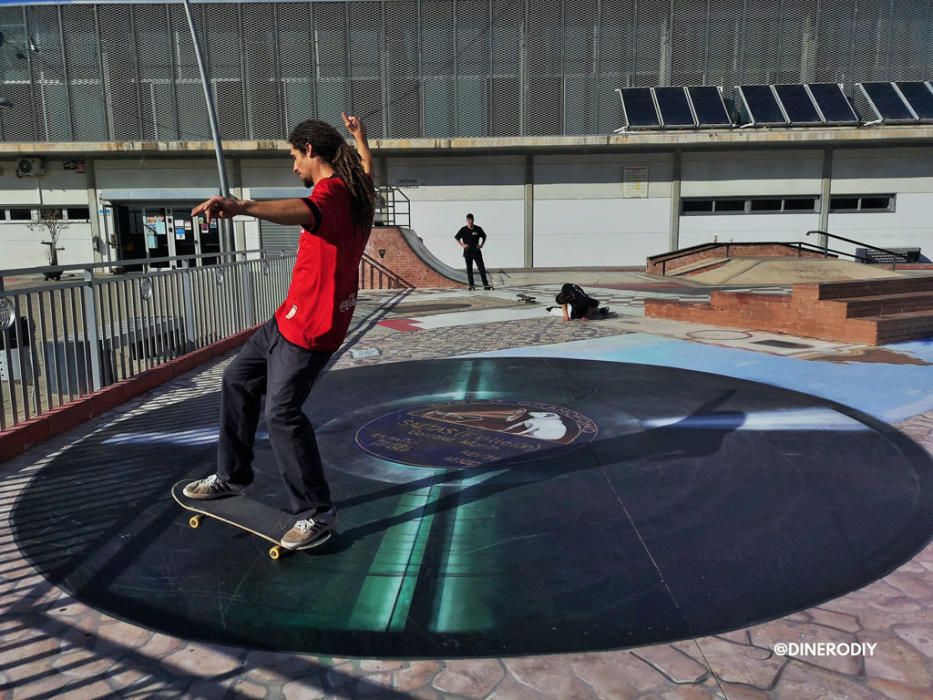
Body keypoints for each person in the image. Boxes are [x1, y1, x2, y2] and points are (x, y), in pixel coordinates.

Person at [182, 113, 375, 551]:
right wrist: (361, 137)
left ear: (309, 150)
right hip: (286, 318)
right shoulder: (361, 189)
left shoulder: (333, 195)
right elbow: (365, 164)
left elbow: (301, 212)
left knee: (283, 415)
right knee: (237, 380)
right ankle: (232, 477)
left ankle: (315, 513)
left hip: (311, 330)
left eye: (293, 157)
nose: (293, 167)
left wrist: (241, 206)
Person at [454, 213, 493, 290]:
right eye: (469, 220)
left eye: (471, 220)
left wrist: (481, 245)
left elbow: (484, 236)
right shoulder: (463, 229)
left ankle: (486, 285)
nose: (470, 221)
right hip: (467, 252)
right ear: (467, 220)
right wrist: (462, 245)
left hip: (476, 252)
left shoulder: (478, 229)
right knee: (469, 269)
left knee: (481, 268)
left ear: (473, 220)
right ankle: (471, 285)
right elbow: (457, 237)